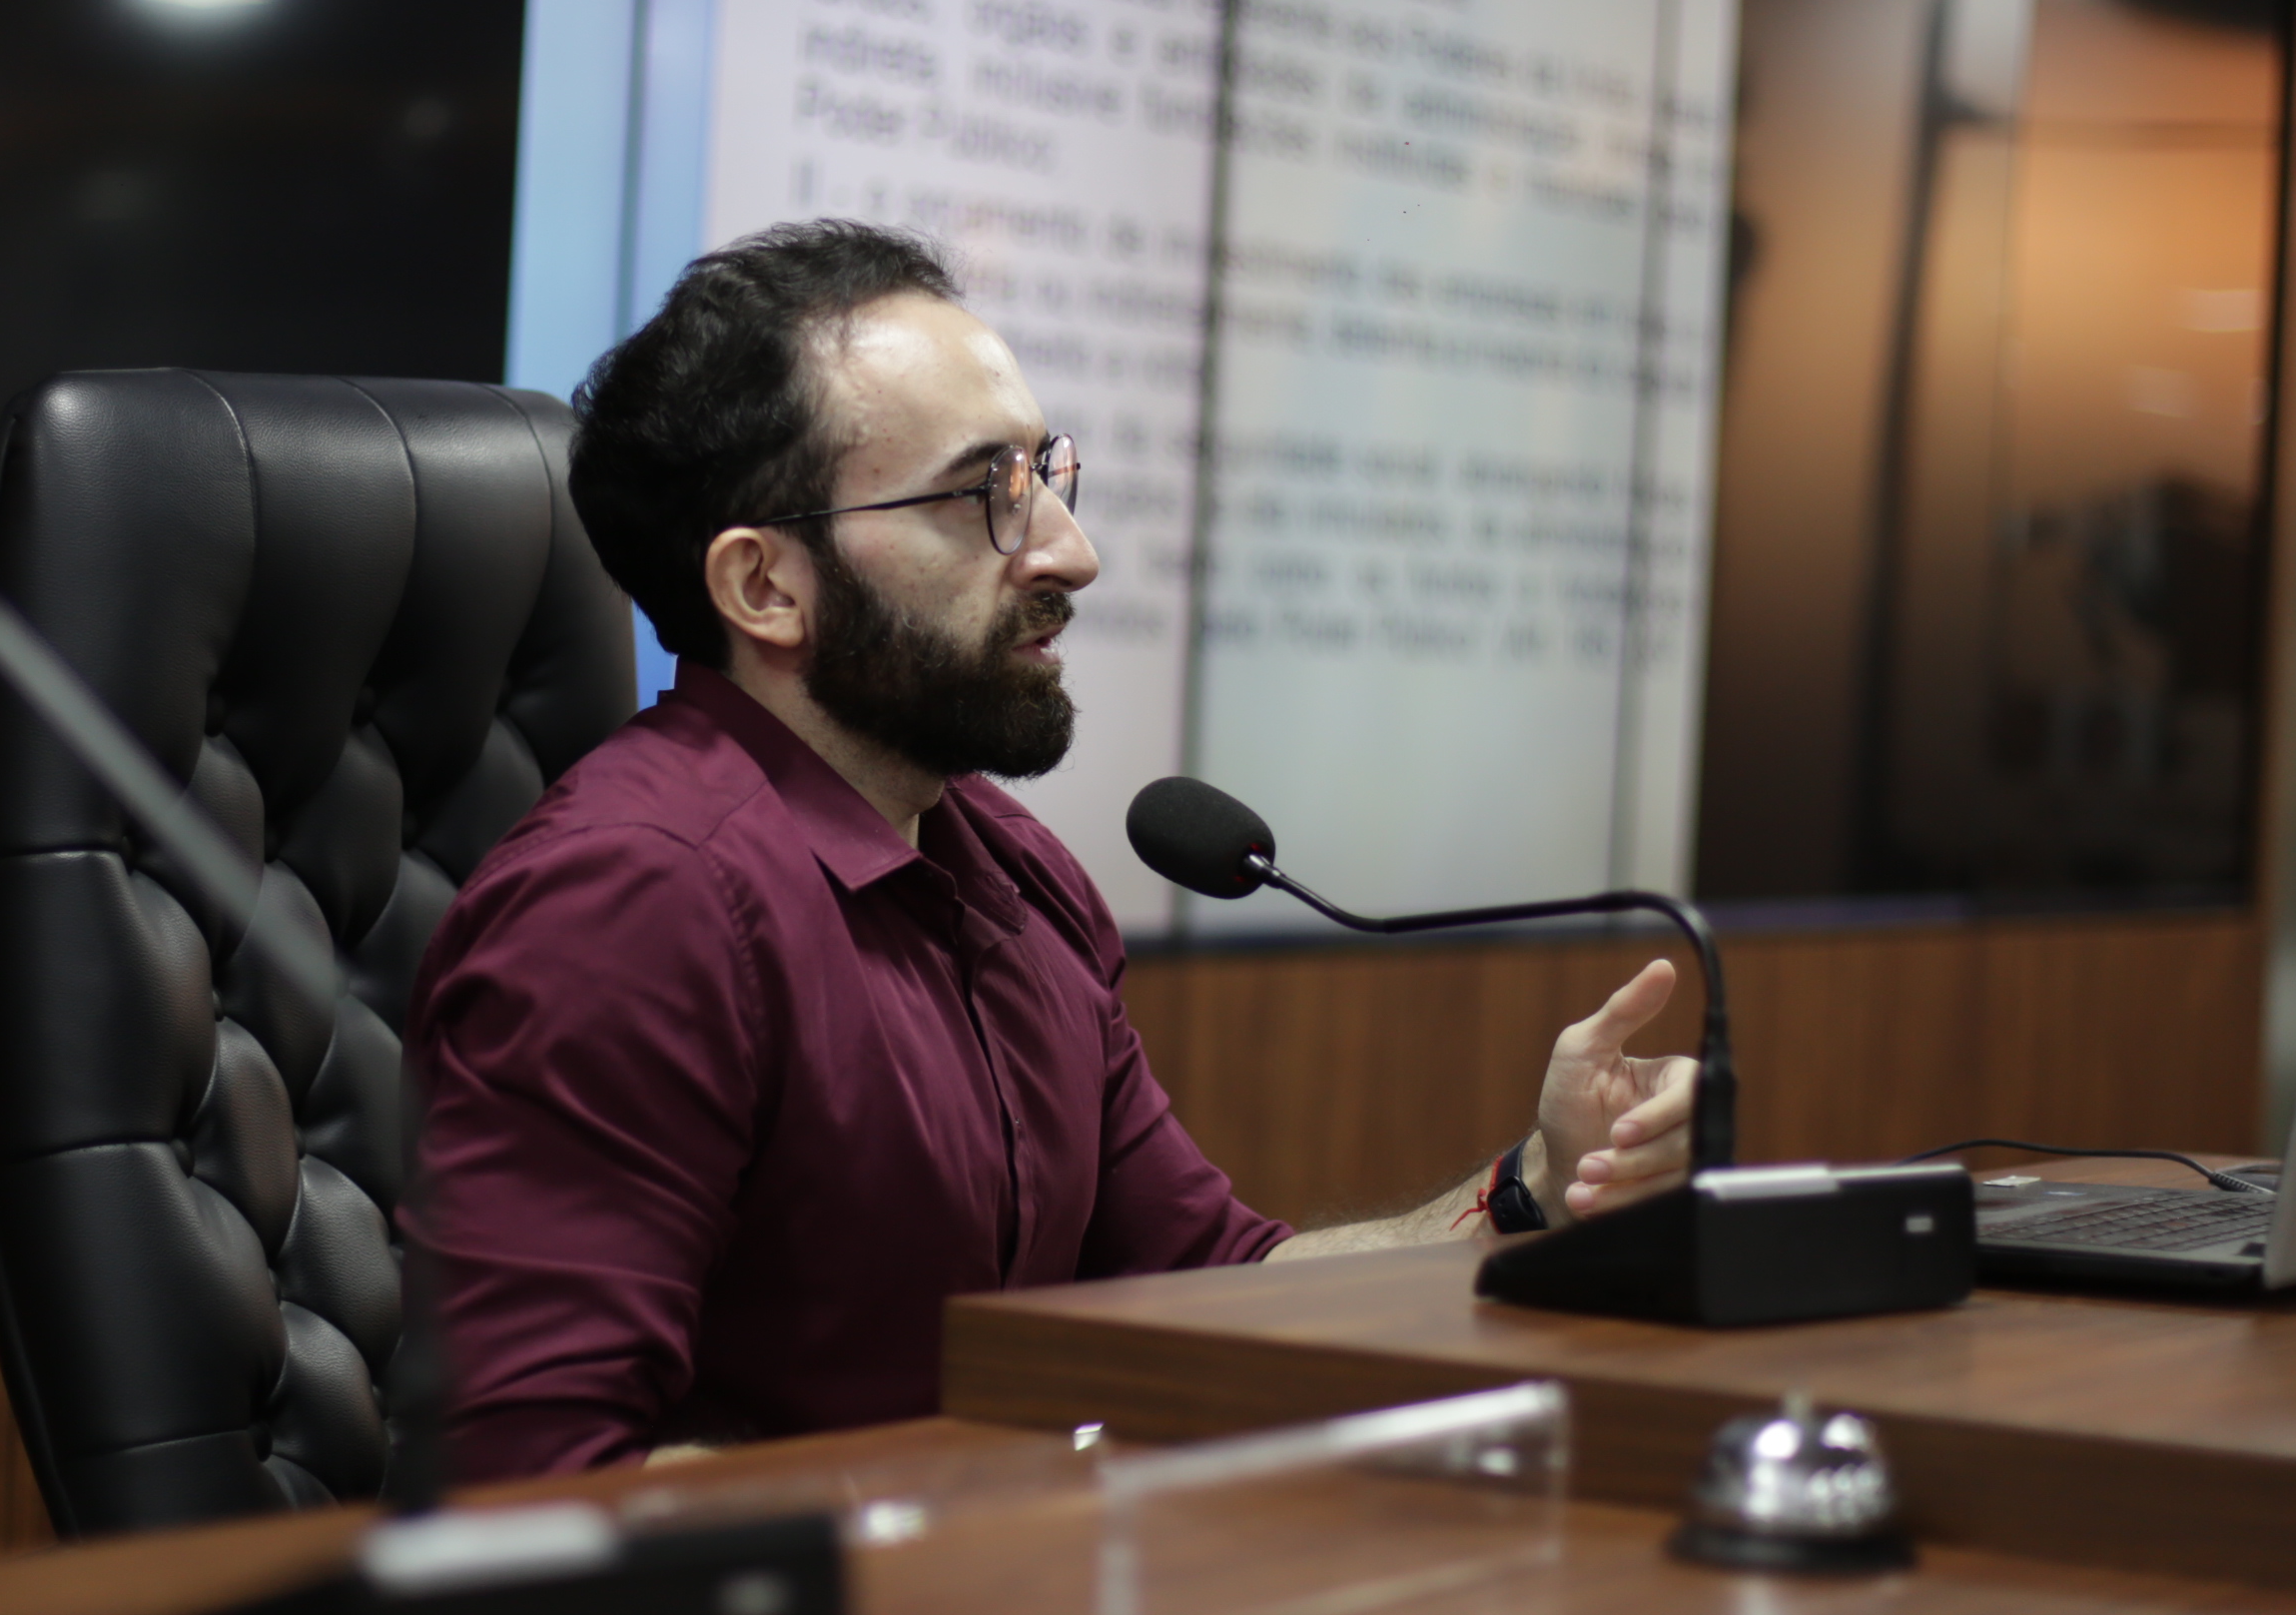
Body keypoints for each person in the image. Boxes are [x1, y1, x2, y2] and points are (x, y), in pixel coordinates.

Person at [408, 221, 1697, 1476]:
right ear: (766, 587)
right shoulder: (629, 904)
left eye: (1044, 475)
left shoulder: (1008, 869)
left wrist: (1537, 1187)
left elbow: (1213, 1286)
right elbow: (536, 1488)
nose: (1073, 554)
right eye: (985, 495)